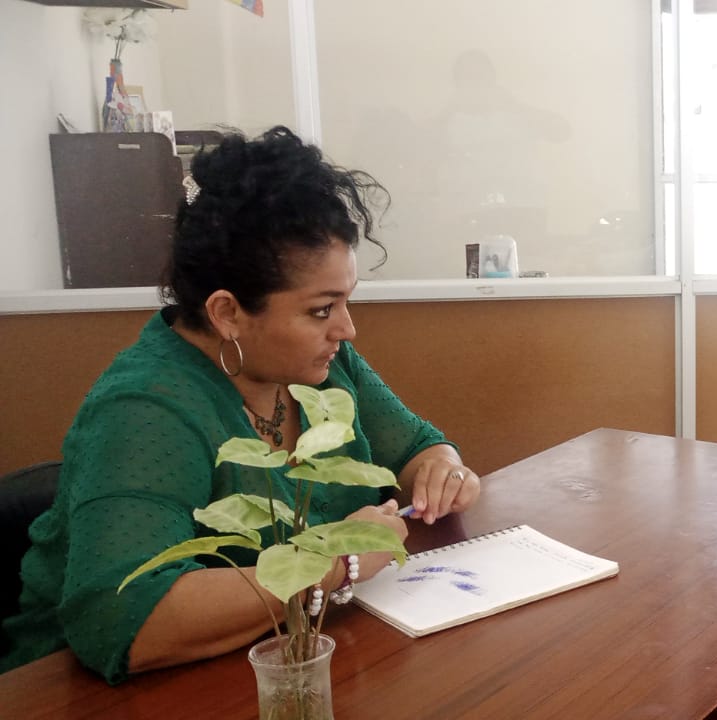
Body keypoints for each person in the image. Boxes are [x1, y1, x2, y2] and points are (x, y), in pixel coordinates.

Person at [0, 127, 482, 683]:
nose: (347, 329)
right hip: (87, 693)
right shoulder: (145, 409)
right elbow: (119, 617)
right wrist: (335, 564)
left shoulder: (320, 365)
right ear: (227, 313)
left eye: (346, 302)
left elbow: (418, 446)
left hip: (292, 655)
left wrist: (442, 468)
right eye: (322, 309)